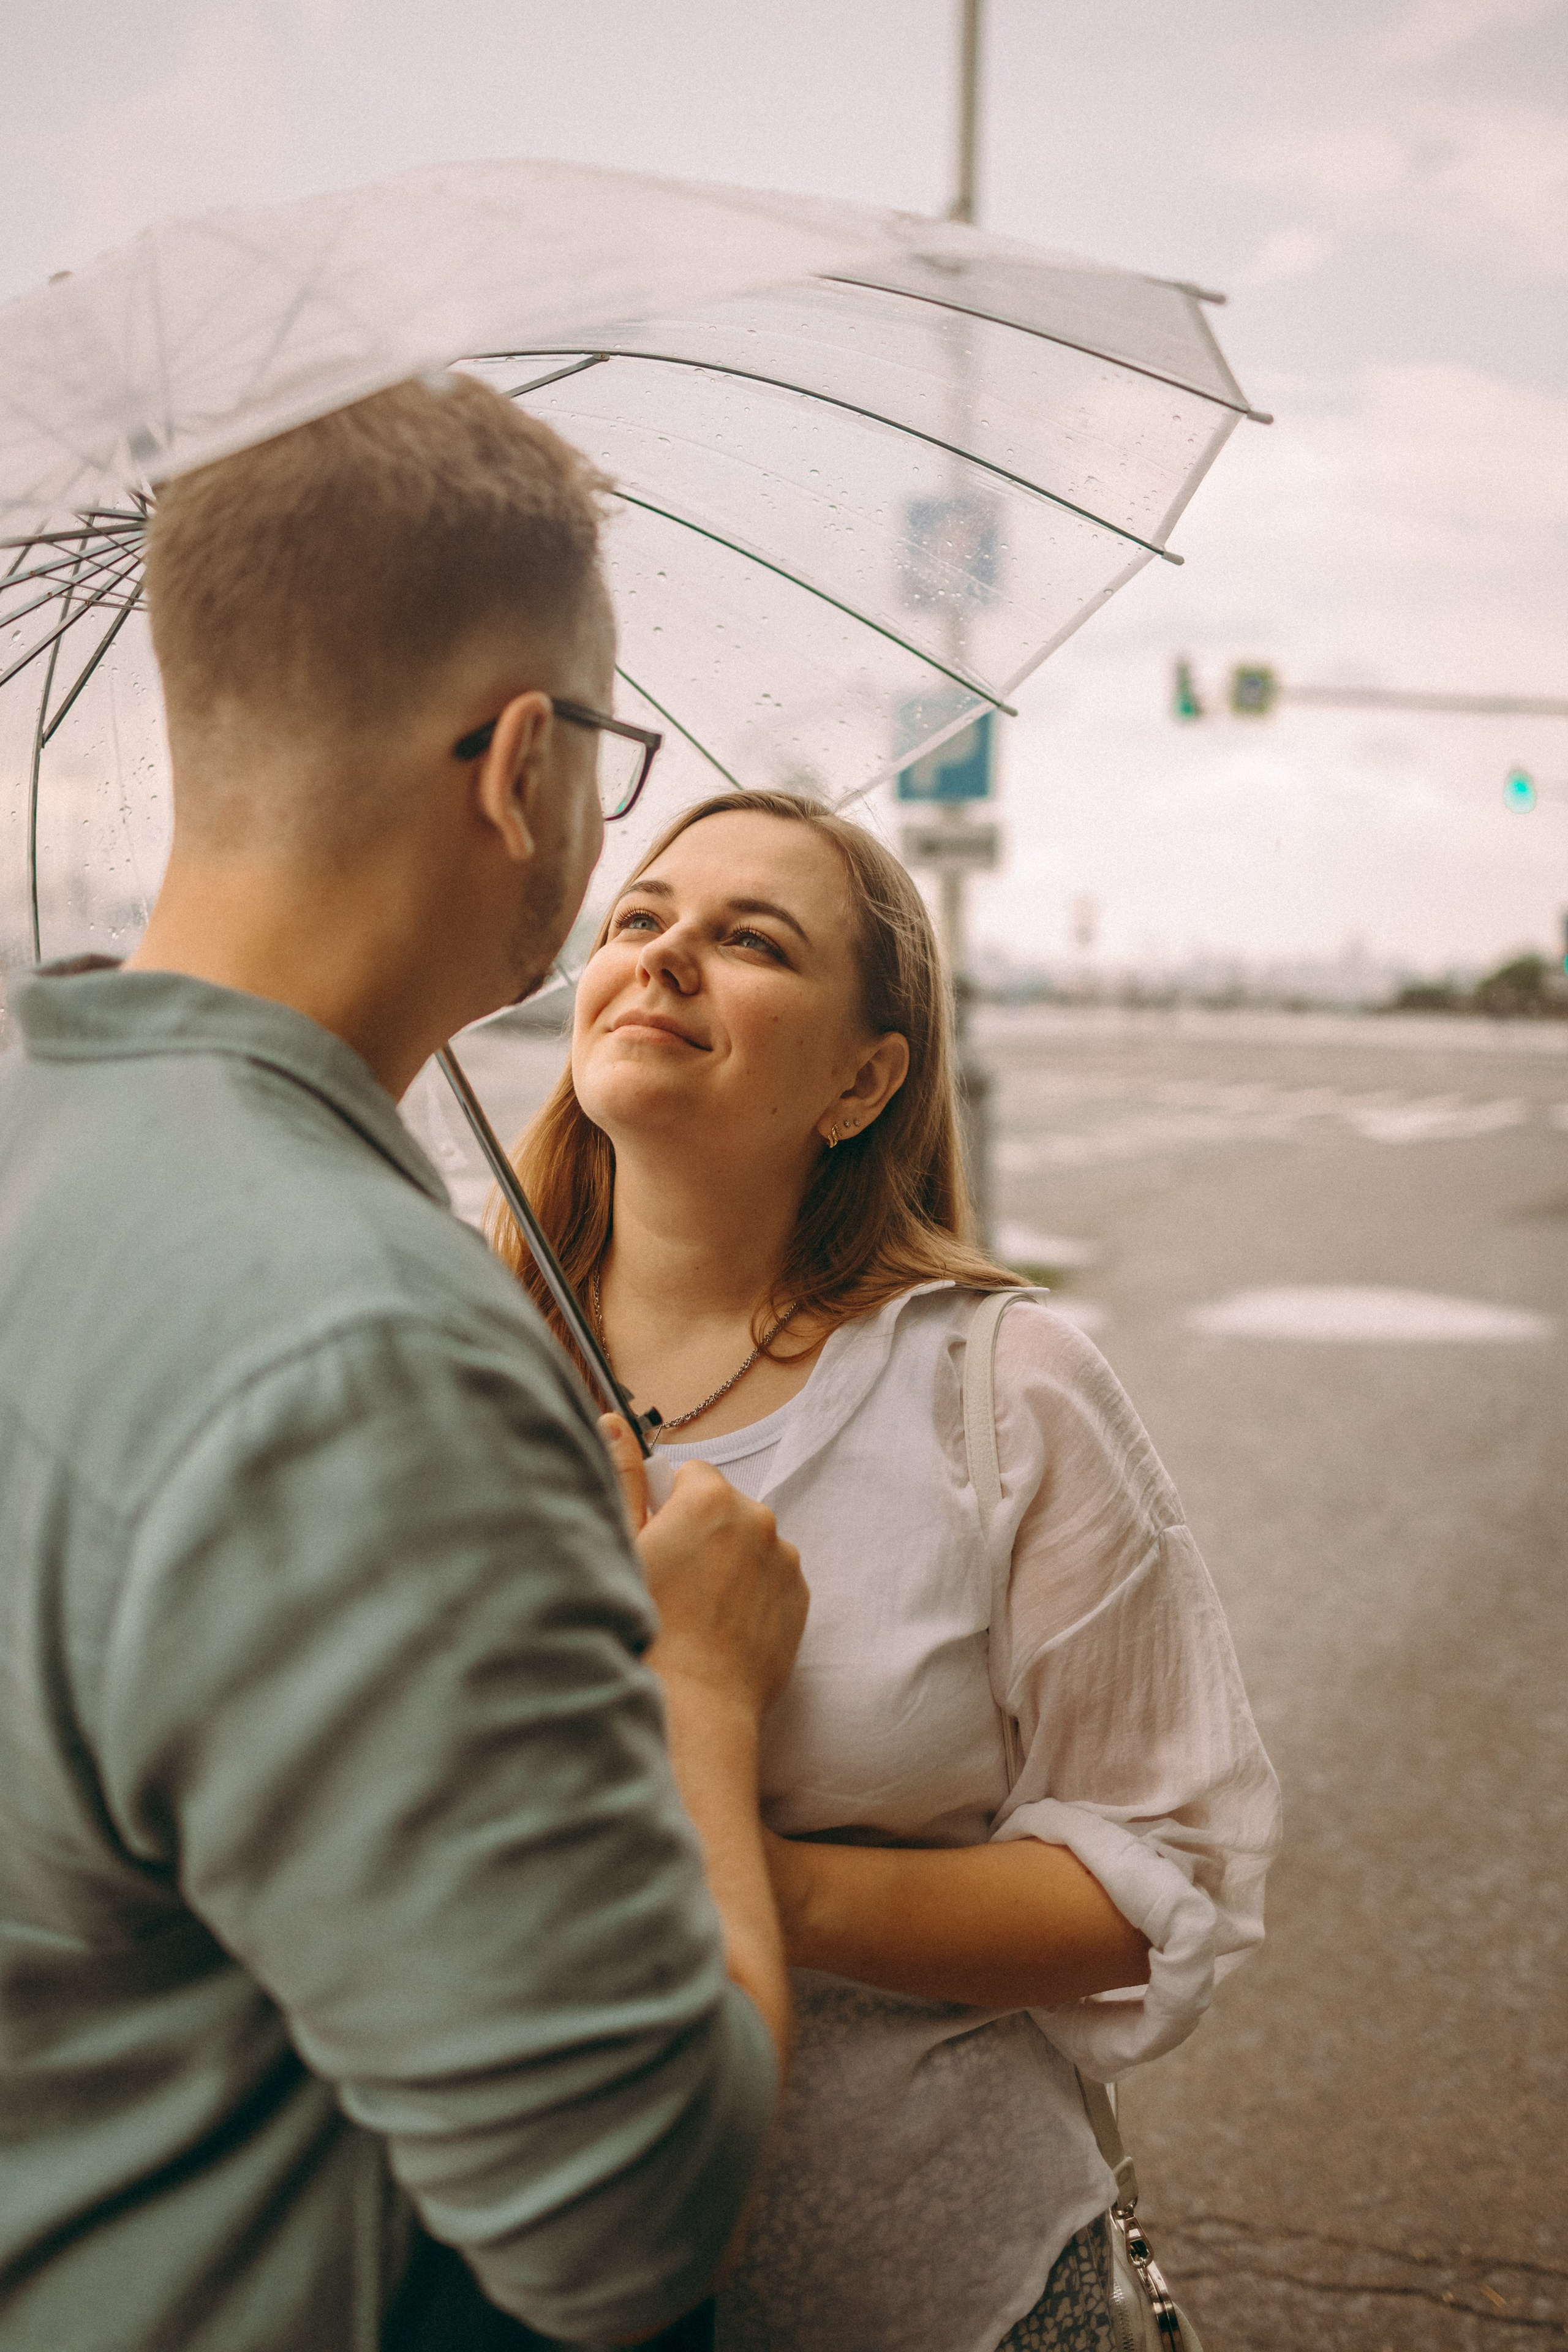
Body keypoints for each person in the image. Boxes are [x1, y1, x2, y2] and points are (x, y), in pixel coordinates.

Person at [0, 381, 810, 2352]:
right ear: (525, 766)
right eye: (614, 748)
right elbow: (628, 2225)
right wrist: (696, 1680)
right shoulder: (364, 1350)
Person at [495, 788, 1283, 2352]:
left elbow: (1152, 1879)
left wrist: (758, 1881)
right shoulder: (443, 1356)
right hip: (518, 2258)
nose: (662, 960)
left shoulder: (1005, 1391)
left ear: (862, 1082)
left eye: (748, 941)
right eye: (637, 921)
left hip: (937, 2284)